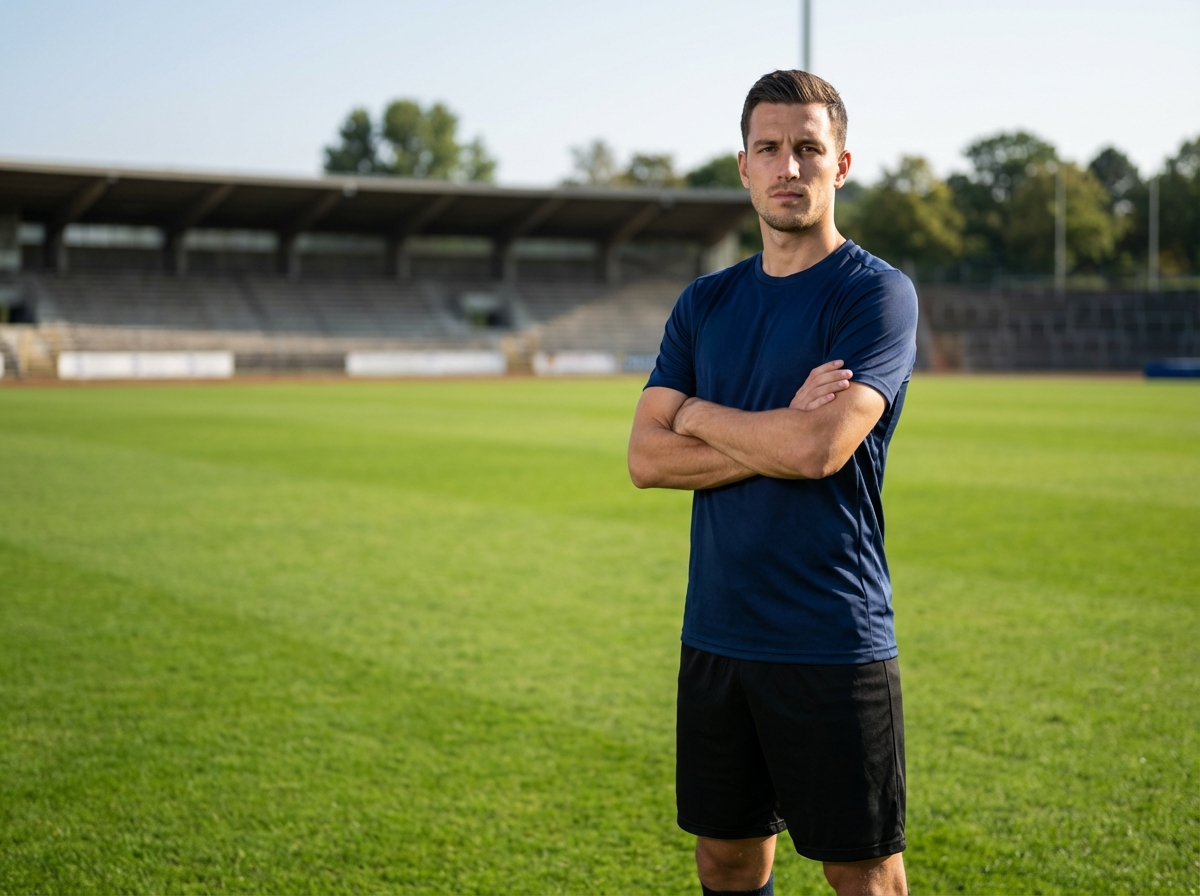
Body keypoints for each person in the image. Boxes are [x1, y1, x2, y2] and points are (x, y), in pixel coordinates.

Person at [627, 70, 917, 896]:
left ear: (842, 164)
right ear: (744, 167)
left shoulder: (875, 294)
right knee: (725, 857)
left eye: (808, 148)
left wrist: (695, 414)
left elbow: (820, 448)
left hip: (831, 634)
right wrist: (776, 426)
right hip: (717, 633)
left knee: (863, 872)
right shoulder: (705, 303)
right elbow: (646, 459)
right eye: (769, 149)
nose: (788, 166)